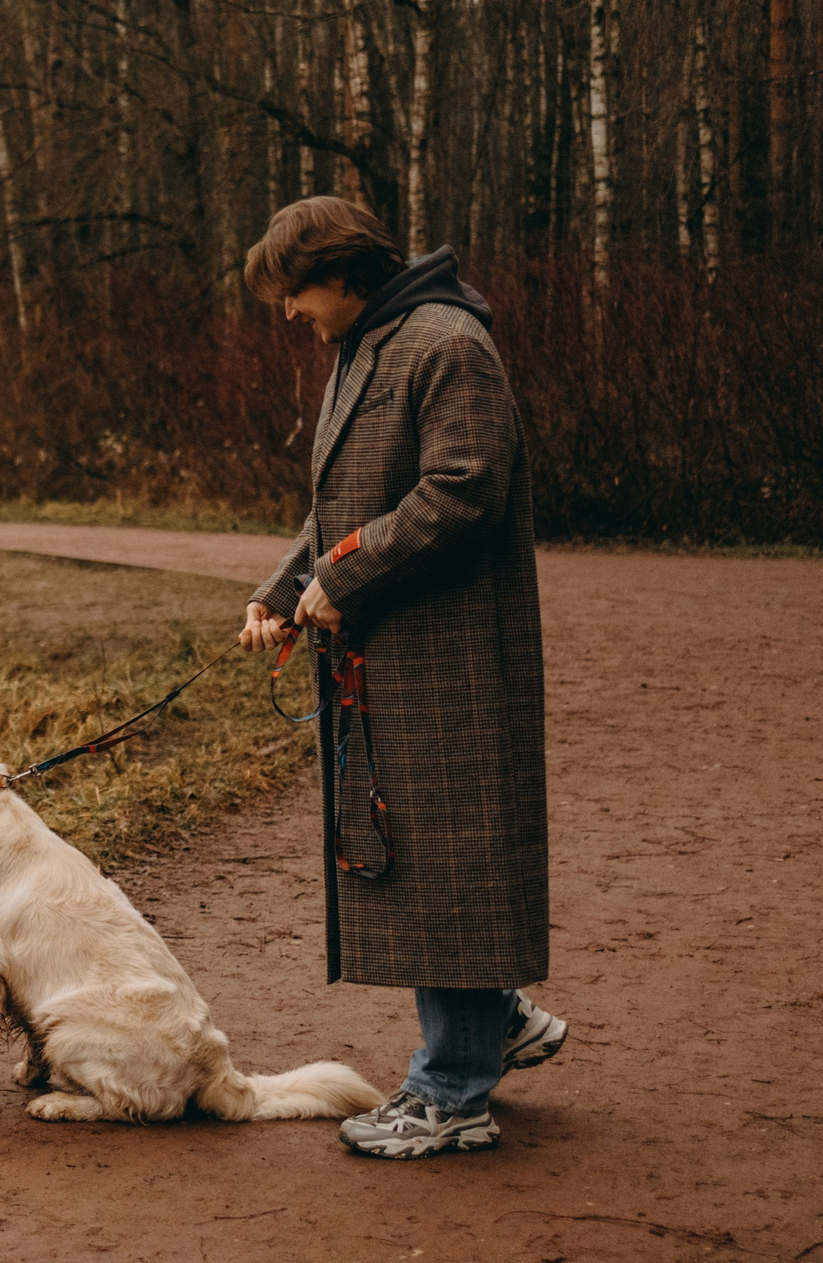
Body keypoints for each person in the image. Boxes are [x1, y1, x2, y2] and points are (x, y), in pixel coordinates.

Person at [235, 196, 567, 1159]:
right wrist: (284, 591)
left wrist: (343, 579)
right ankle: (495, 1019)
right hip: (395, 654)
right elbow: (343, 503)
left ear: (341, 274)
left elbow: (464, 488)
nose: (288, 310)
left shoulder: (447, 343)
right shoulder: (365, 344)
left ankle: (453, 1094)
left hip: (451, 659)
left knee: (447, 854)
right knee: (425, 855)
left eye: (293, 291)